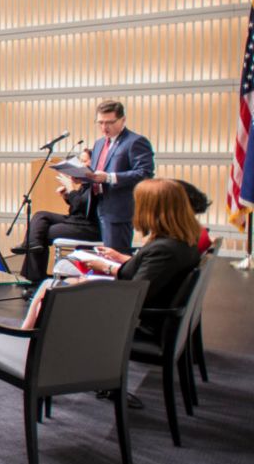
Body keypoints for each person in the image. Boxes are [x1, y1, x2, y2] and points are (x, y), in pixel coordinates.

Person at [22, 178, 201, 330]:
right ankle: (29, 338)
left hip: (132, 322)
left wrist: (102, 274)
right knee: (51, 286)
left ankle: (33, 344)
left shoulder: (164, 249)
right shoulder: (181, 242)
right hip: (144, 311)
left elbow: (135, 296)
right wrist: (121, 261)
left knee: (50, 294)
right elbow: (146, 274)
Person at [11, 148, 100, 284]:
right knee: (40, 216)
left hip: (87, 227)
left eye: (84, 161)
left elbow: (83, 209)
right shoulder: (85, 184)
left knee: (43, 232)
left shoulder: (95, 184)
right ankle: (31, 246)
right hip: (77, 221)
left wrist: (70, 189)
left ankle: (33, 276)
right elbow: (77, 208)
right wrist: (67, 196)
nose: (81, 164)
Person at [81, 99, 155, 253]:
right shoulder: (99, 143)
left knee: (115, 256)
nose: (104, 127)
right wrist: (82, 176)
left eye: (109, 122)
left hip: (118, 209)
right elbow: (96, 172)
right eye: (100, 122)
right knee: (99, 256)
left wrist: (109, 177)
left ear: (123, 120)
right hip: (95, 205)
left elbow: (144, 173)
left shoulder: (135, 142)